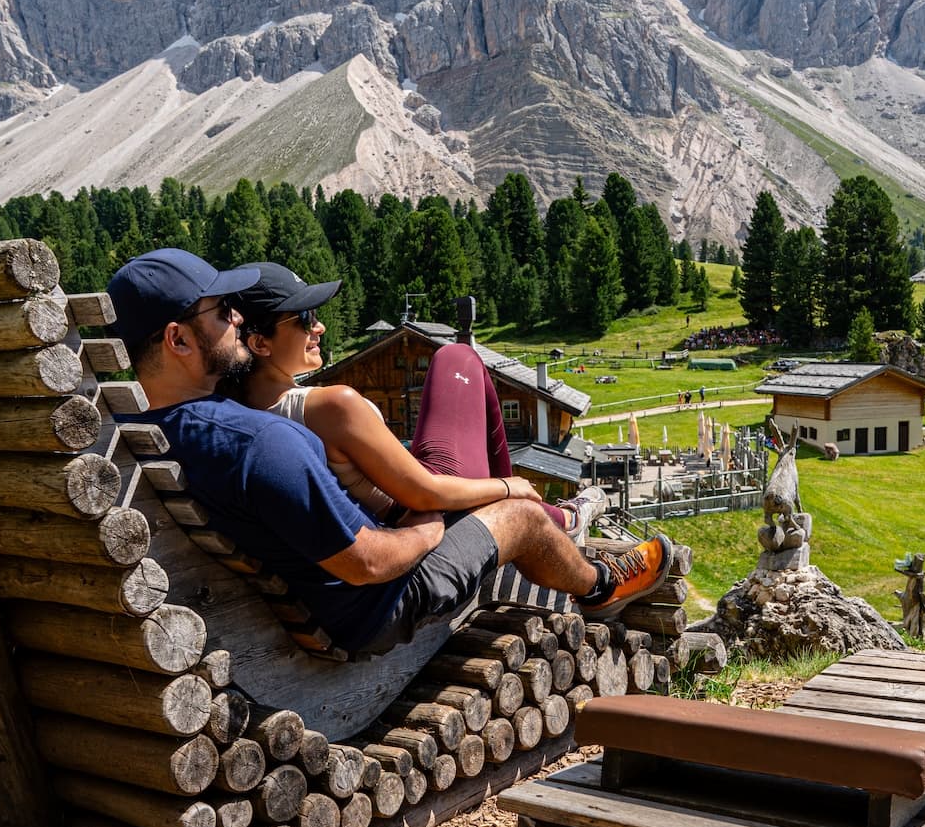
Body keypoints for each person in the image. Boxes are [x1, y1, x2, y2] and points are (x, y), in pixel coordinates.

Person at [105, 250, 670, 657]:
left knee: (469, 492)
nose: (234, 319)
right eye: (221, 312)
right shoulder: (256, 442)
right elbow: (368, 562)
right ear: (178, 340)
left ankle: (549, 534)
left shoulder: (138, 427)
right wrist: (426, 529)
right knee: (517, 514)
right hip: (379, 605)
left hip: (327, 590)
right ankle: (598, 588)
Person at [232, 264, 601, 539]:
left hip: (400, 498)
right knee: (458, 357)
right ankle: (559, 520)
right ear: (259, 344)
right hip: (418, 504)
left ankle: (548, 515)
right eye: (304, 317)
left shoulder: (238, 409)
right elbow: (425, 492)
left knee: (456, 359)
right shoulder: (329, 405)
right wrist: (510, 487)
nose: (319, 326)